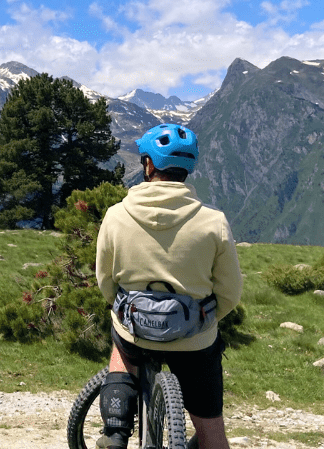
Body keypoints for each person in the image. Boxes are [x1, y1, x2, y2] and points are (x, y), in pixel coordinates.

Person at [94, 123, 243, 449]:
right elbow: (230, 293)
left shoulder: (116, 216)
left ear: (148, 165)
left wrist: (123, 310)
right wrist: (202, 320)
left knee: (120, 336)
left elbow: (105, 282)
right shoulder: (213, 222)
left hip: (136, 333)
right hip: (195, 341)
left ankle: (116, 431)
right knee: (212, 434)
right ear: (187, 168)